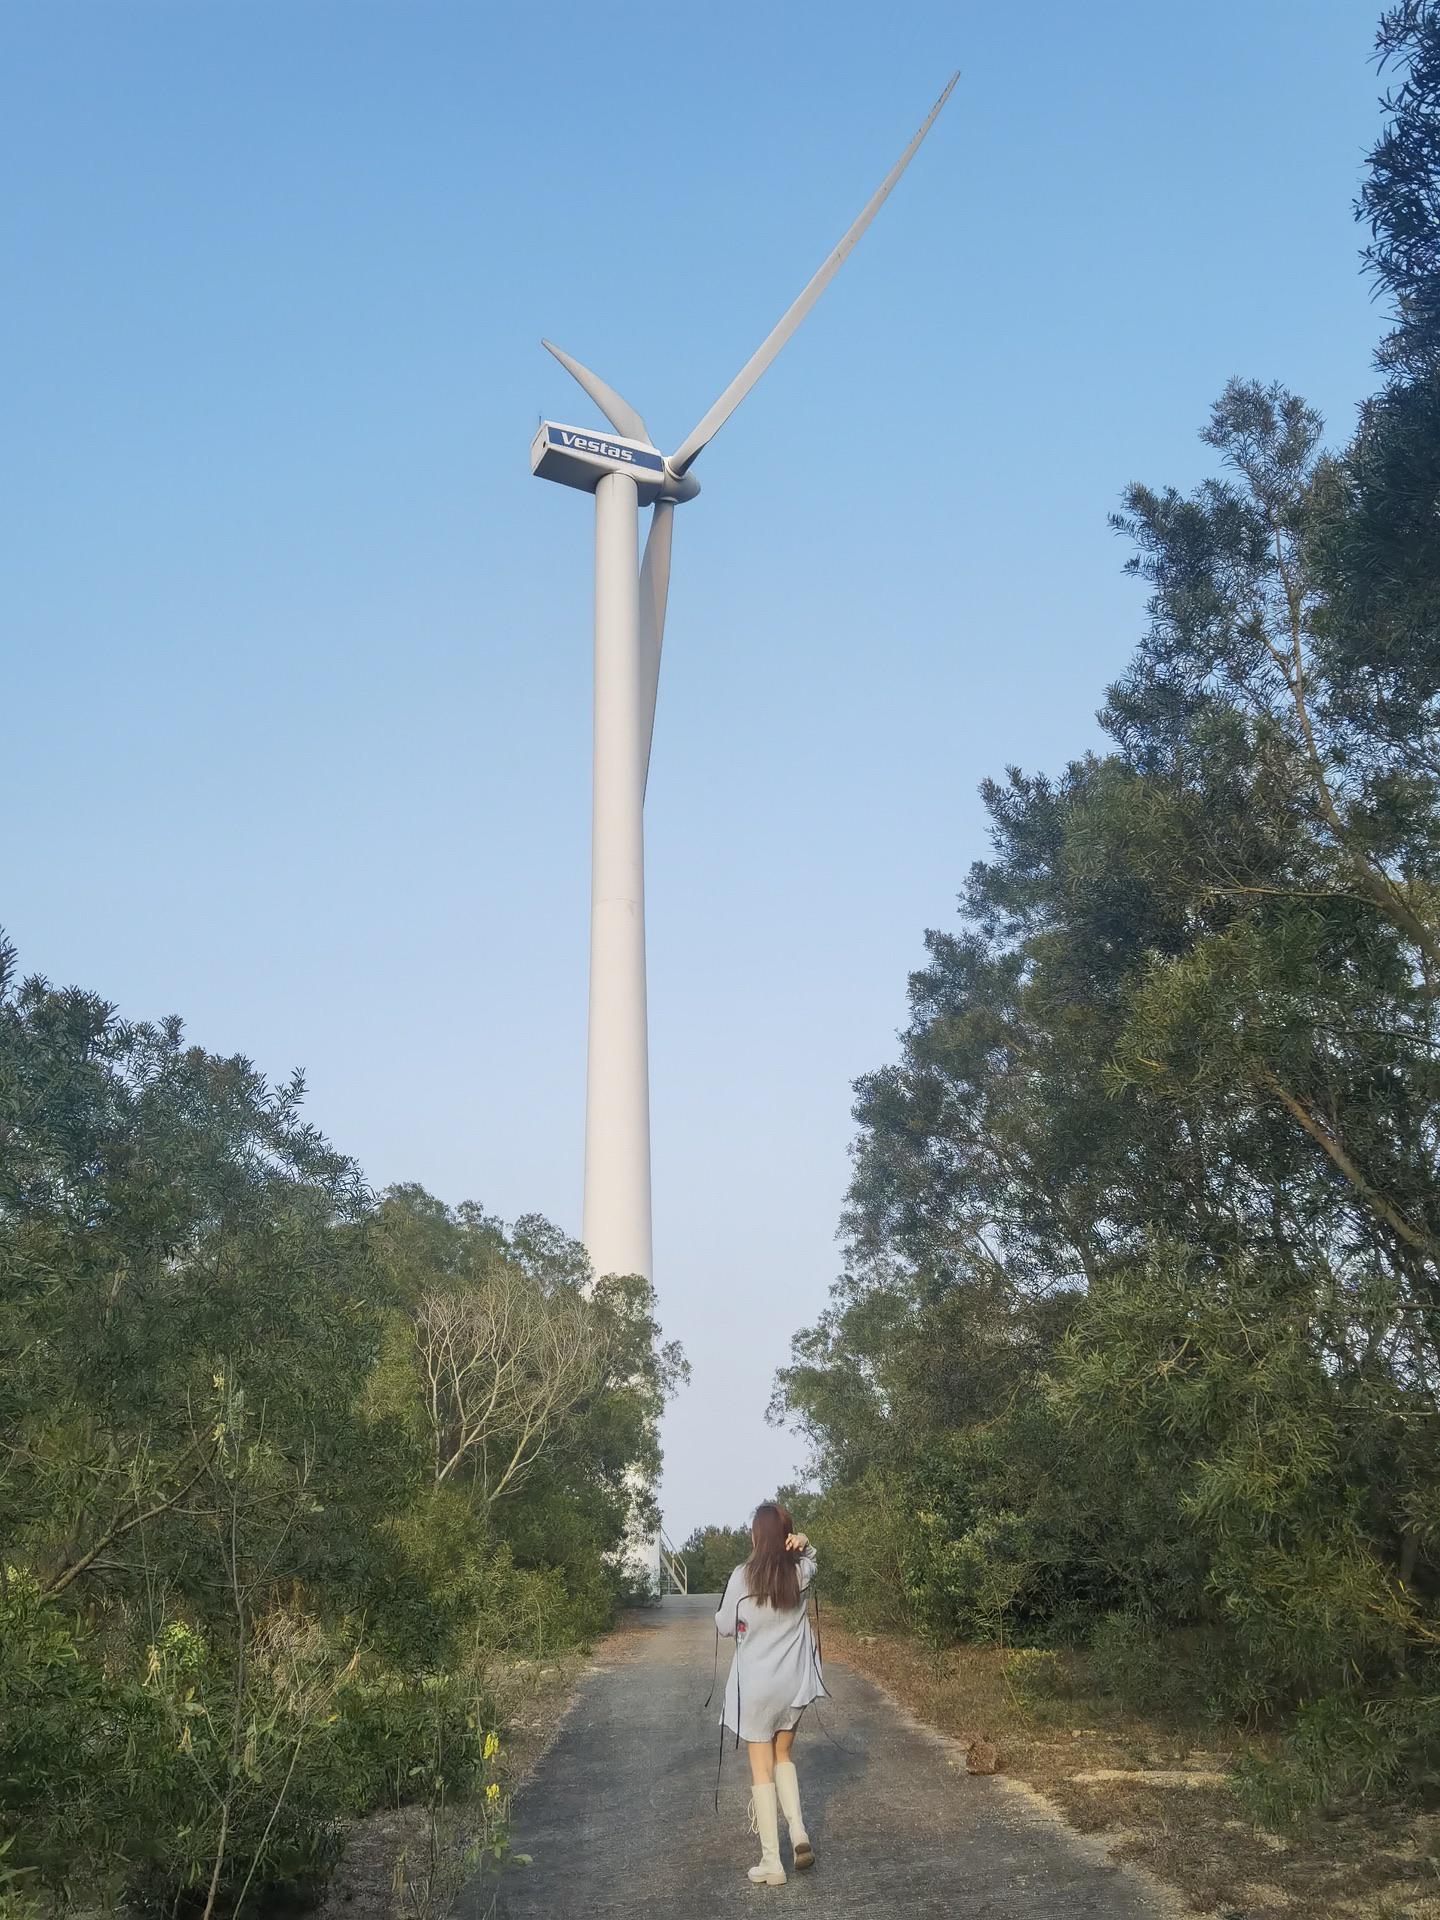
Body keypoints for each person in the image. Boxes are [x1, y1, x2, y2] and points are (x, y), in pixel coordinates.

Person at [714, 1501, 824, 1886]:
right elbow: (813, 1559)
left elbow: (726, 1625)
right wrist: (805, 1544)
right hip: (793, 1685)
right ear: (786, 1537)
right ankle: (798, 1833)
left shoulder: (742, 1577)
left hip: (756, 1689)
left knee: (761, 1769)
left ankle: (771, 1862)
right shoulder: (802, 1572)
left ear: (755, 1536)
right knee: (784, 1755)